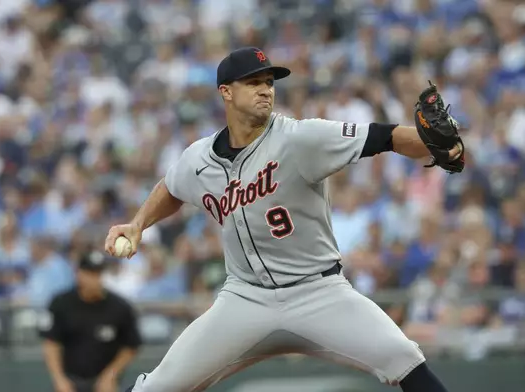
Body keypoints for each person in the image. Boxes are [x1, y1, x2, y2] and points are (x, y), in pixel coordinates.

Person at [105, 47, 464, 392]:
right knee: (160, 385)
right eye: (253, 82)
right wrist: (138, 224)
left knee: (403, 357)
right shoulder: (198, 158)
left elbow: (385, 137)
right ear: (226, 92)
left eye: (269, 82)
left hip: (319, 292)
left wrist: (433, 143)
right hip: (245, 299)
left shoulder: (300, 137)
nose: (265, 90)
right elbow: (171, 187)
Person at [39, 251, 142, 392]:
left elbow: (131, 345)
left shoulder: (119, 307)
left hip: (104, 382)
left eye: (98, 274)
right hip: (70, 379)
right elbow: (51, 344)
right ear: (79, 274)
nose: (95, 279)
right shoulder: (61, 303)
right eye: (90, 273)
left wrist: (111, 375)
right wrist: (59, 379)